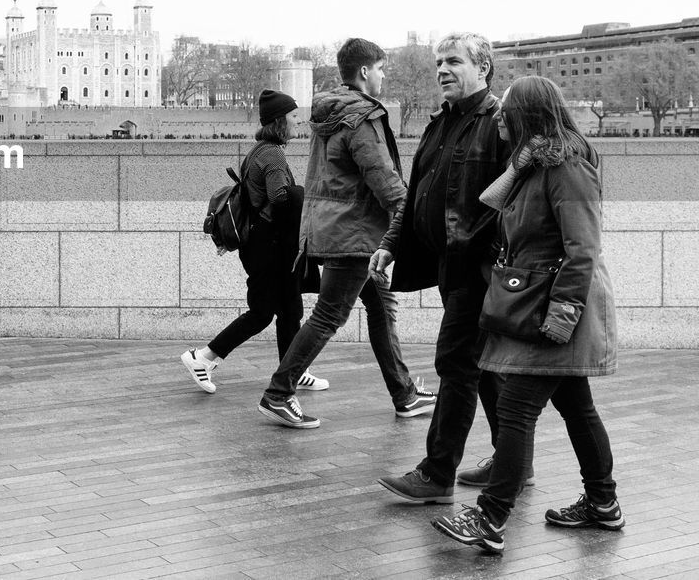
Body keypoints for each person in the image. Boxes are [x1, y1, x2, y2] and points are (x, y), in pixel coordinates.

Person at [431, 76, 621, 554]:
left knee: (515, 409)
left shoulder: (567, 166)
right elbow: (503, 214)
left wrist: (563, 313)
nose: (498, 116)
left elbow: (583, 248)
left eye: (506, 111)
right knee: (577, 406)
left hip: (557, 307)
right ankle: (603, 504)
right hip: (540, 301)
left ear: (528, 115)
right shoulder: (535, 164)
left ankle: (491, 517)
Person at [258, 38, 436, 429]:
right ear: (364, 72)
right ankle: (278, 392)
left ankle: (404, 394)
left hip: (340, 227)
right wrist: (410, 214)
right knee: (328, 315)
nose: (384, 76)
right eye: (382, 68)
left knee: (381, 307)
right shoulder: (360, 117)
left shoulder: (331, 113)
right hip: (353, 233)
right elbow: (382, 177)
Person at [374, 33, 514, 503]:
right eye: (438, 62)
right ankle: (513, 460)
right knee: (485, 366)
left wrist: (488, 256)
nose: (442, 70)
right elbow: (419, 195)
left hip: (477, 268)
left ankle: (437, 475)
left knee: (455, 362)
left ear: (484, 68)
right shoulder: (441, 123)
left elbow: (512, 201)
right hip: (447, 264)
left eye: (453, 61)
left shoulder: (499, 123)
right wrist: (393, 243)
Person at [180, 90, 329, 395]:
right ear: (279, 120)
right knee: (264, 312)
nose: (297, 121)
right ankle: (203, 357)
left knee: (289, 311)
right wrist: (307, 193)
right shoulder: (272, 153)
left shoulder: (259, 151)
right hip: (270, 249)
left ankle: (294, 372)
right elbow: (280, 198)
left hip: (266, 246)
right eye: (292, 116)